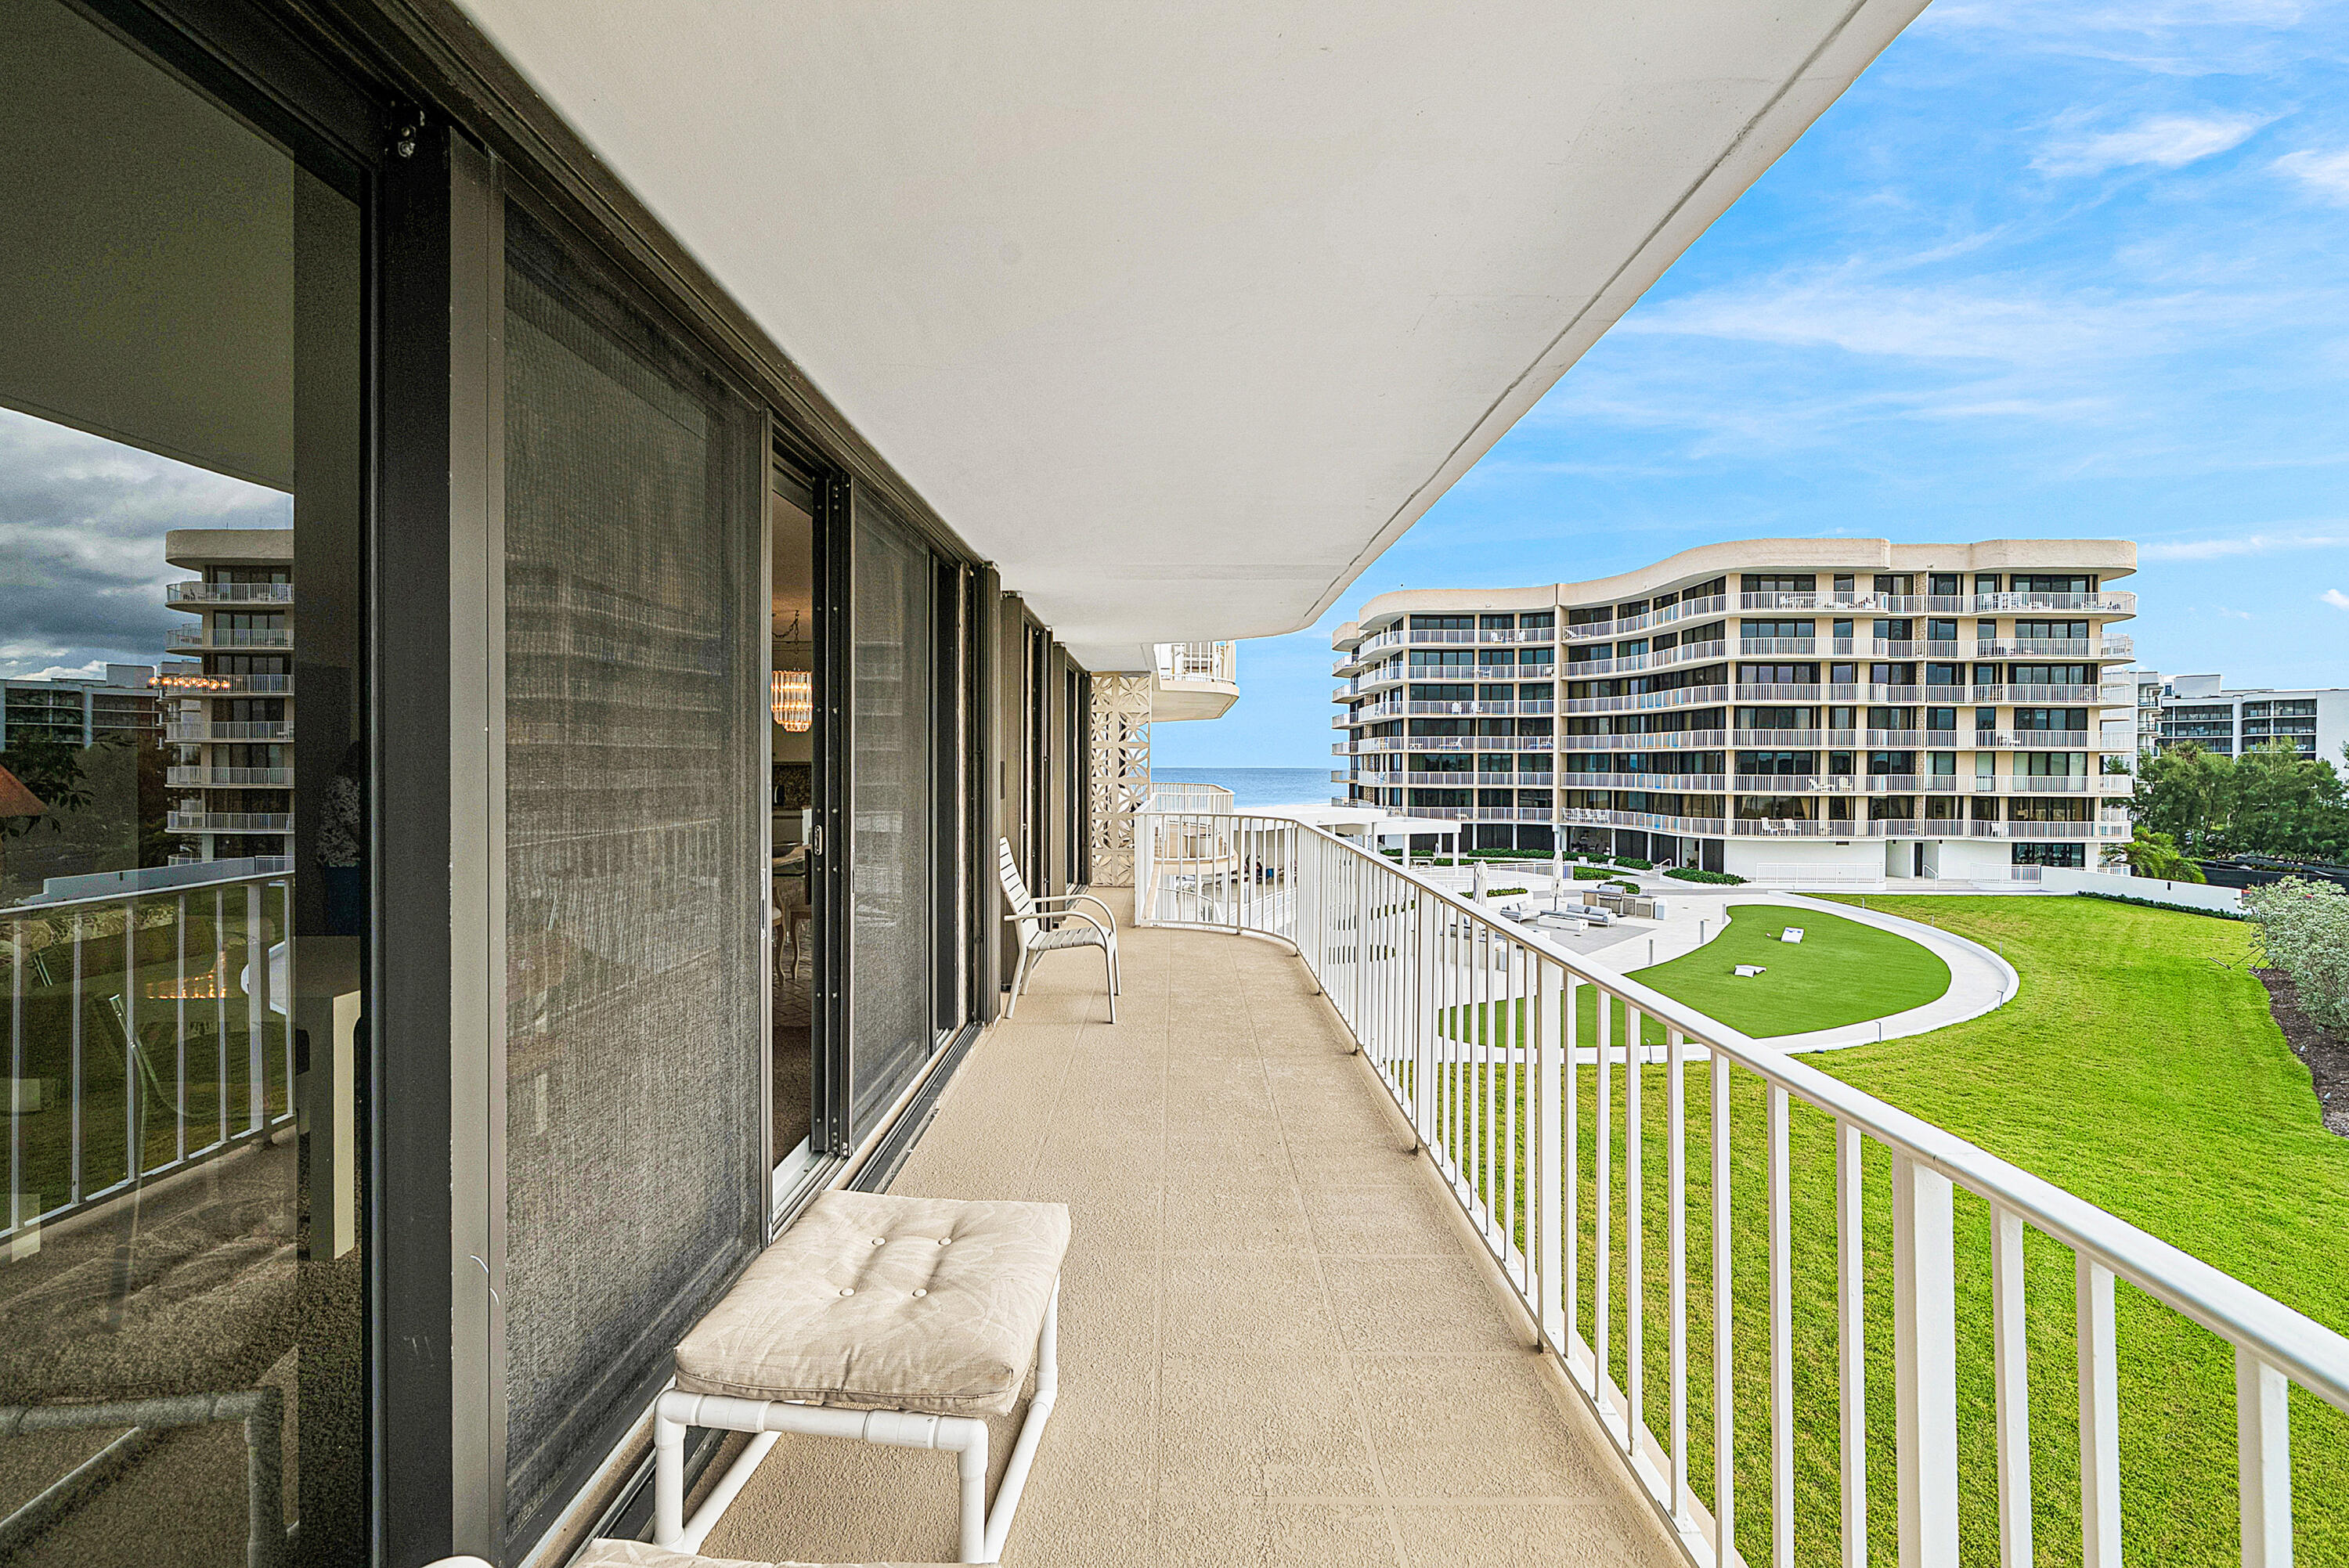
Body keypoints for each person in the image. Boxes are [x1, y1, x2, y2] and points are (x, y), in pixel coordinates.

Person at [318, 740, 364, 935]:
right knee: (345, 917)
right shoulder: (341, 785)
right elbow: (354, 826)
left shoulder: (358, 785)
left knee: (354, 915)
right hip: (341, 861)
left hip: (353, 861)